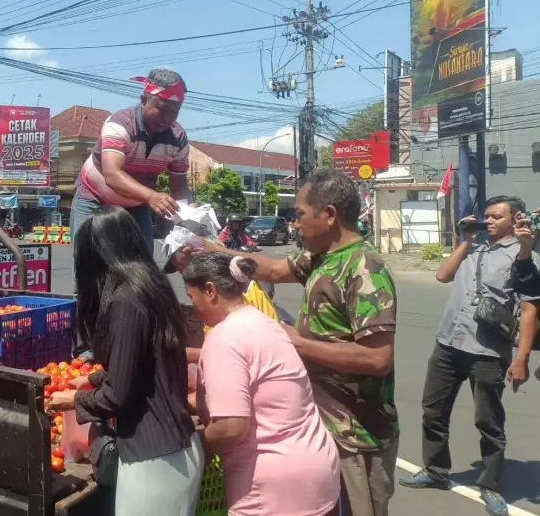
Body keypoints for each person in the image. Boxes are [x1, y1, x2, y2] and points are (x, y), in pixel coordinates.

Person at [207, 169, 398, 516]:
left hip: (357, 435)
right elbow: (273, 270)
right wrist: (218, 253)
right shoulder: (321, 256)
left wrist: (300, 343)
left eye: (299, 215)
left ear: (329, 215)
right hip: (324, 426)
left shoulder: (365, 269)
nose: (294, 225)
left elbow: (377, 358)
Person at [49, 206, 202, 516]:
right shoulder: (151, 286)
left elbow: (118, 395)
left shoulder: (124, 300)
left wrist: (73, 399)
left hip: (155, 461)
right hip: (179, 449)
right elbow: (145, 363)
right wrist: (92, 380)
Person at [400, 196, 540, 516]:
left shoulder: (523, 256)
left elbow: (530, 310)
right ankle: (435, 470)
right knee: (433, 411)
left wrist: (522, 359)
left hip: (488, 352)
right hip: (448, 343)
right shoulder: (473, 248)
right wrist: (465, 241)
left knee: (488, 421)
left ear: (513, 219)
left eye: (496, 217)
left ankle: (489, 485)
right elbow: (442, 276)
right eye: (486, 216)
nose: (489, 221)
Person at [183, 252, 340, 516]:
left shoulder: (225, 337)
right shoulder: (266, 322)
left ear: (210, 291)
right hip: (316, 471)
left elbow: (230, 427)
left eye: (192, 297)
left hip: (273, 490)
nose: (194, 309)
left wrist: (197, 448)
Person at [70, 68, 193, 253]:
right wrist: (152, 196)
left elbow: (180, 188)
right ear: (144, 101)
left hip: (136, 205)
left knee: (142, 267)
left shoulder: (178, 138)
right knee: (86, 261)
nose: (167, 118)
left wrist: (188, 212)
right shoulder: (120, 124)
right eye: (161, 110)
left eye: (174, 112)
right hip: (94, 198)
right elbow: (112, 175)